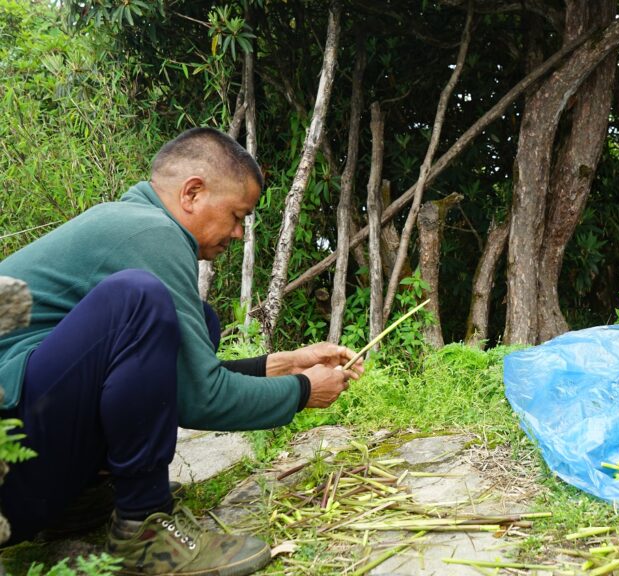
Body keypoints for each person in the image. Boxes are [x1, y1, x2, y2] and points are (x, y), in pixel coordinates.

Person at [0, 127, 364, 575]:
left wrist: (282, 365)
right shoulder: (150, 233)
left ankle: (77, 502)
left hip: (23, 469)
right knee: (139, 299)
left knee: (194, 321)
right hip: (9, 469)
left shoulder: (127, 222)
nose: (236, 234)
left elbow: (168, 378)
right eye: (236, 215)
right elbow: (200, 397)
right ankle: (144, 530)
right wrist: (303, 390)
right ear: (192, 192)